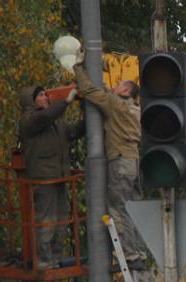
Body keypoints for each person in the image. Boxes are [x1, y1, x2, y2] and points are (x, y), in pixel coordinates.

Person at [72, 49, 148, 270]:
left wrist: (78, 67)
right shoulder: (135, 108)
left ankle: (130, 255)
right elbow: (106, 94)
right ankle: (140, 252)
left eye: (118, 85)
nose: (114, 86)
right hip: (134, 163)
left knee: (118, 207)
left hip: (120, 161)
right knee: (134, 208)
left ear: (125, 89)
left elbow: (89, 90)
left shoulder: (114, 103)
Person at [17, 84, 84, 269]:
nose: (46, 97)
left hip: (59, 177)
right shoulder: (29, 120)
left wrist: (87, 116)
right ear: (30, 101)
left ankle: (54, 258)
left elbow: (72, 132)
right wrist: (67, 100)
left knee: (61, 221)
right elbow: (46, 116)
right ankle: (44, 260)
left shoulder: (54, 122)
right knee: (47, 221)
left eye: (46, 94)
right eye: (41, 95)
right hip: (44, 179)